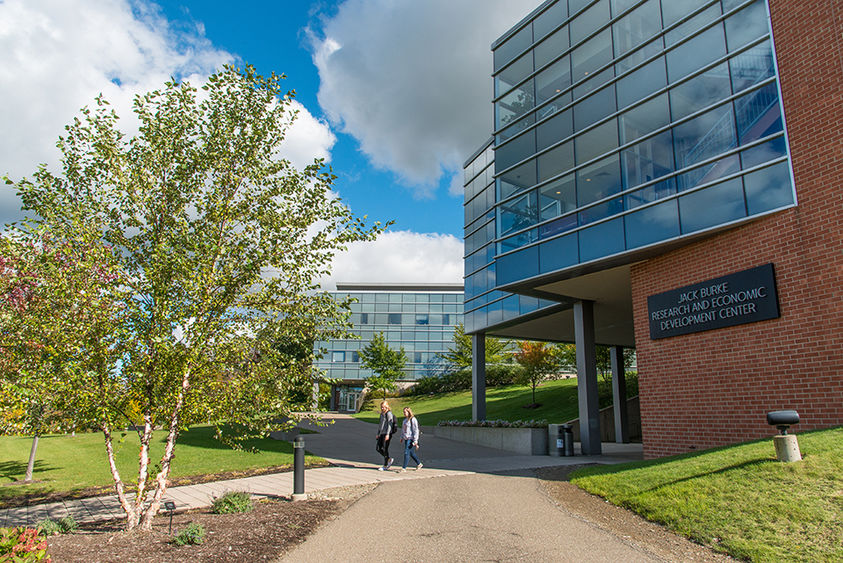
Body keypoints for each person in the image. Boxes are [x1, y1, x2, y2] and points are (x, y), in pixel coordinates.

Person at [399, 407, 423, 472]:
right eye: (403, 412)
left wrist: (415, 440)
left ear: (408, 412)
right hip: (406, 438)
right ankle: (419, 463)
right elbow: (403, 430)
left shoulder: (413, 420)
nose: (404, 413)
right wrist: (401, 437)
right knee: (411, 453)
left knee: (406, 452)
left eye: (405, 412)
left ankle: (404, 468)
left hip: (411, 439)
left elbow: (416, 430)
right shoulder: (404, 421)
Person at [375, 401, 395, 470]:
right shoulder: (381, 414)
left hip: (387, 433)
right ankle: (389, 459)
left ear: (387, 407)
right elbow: (380, 424)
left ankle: (385, 465)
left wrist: (388, 434)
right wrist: (378, 433)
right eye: (381, 407)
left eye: (383, 407)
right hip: (381, 433)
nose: (382, 408)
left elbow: (390, 424)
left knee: (385, 448)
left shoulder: (389, 414)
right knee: (378, 448)